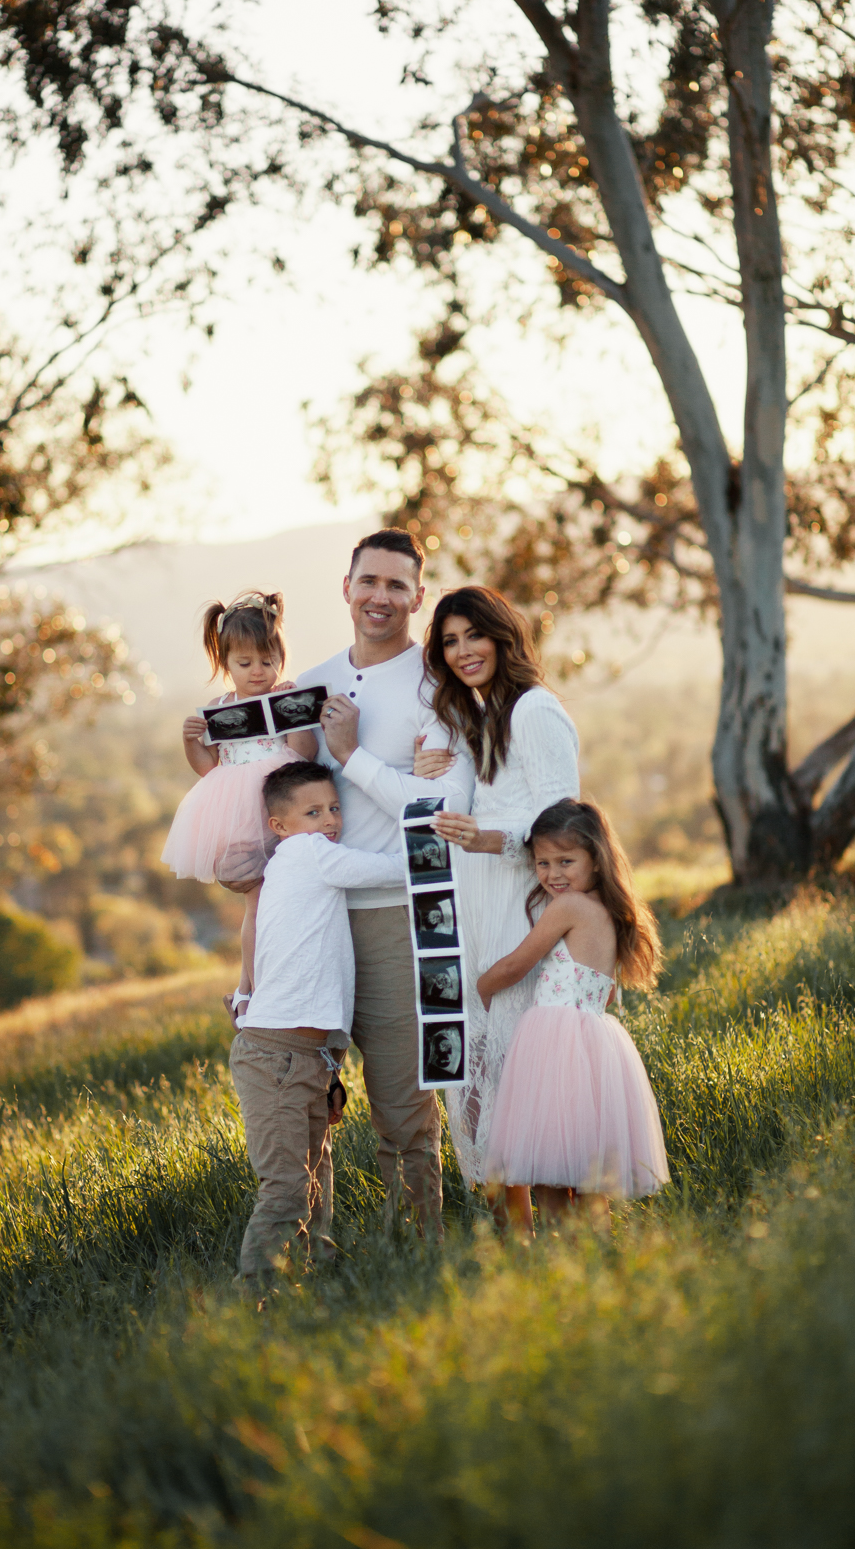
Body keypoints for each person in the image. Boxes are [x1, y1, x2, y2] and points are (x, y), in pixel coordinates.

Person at [297, 529, 475, 1238]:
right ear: (345, 587)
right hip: (315, 921)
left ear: (418, 598)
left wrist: (350, 753)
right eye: (369, 581)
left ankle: (416, 1249)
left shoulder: (437, 691)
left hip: (399, 918)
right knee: (308, 1098)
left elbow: (441, 811)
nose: (380, 597)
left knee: (403, 1103)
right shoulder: (309, 682)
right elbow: (272, 790)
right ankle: (307, 1251)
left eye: (397, 586)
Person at [416, 586, 580, 1209]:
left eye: (472, 636)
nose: (462, 652)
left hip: (521, 902)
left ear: (502, 635)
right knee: (480, 1068)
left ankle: (564, 1232)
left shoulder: (535, 710)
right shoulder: (479, 718)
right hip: (474, 906)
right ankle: (511, 1239)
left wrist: (490, 840)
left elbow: (565, 819)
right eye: (449, 643)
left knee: (527, 1067)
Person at [228, 760, 405, 1294]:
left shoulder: (300, 861)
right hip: (277, 1056)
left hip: (306, 1056)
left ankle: (311, 1284)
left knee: (314, 1182)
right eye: (312, 812)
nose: (329, 819)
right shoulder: (306, 854)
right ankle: (252, 1295)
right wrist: (443, 845)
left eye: (333, 808)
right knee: (285, 1187)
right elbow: (386, 871)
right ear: (279, 826)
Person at [478, 798, 669, 1234]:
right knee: (587, 1175)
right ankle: (593, 1255)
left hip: (556, 1039)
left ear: (596, 861)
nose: (552, 874)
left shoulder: (568, 908)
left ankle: (561, 1259)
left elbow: (517, 965)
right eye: (542, 863)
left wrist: (480, 988)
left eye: (566, 861)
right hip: (594, 1042)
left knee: (548, 1171)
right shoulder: (608, 910)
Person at [161, 591, 317, 984]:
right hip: (242, 815)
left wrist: (294, 715)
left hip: (287, 804)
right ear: (225, 663)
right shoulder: (221, 707)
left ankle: (298, 969)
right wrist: (191, 742)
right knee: (257, 900)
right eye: (245, 663)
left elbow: (305, 756)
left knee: (297, 892)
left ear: (282, 658)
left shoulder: (286, 697)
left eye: (269, 661)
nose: (258, 672)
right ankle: (251, 981)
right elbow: (209, 769)